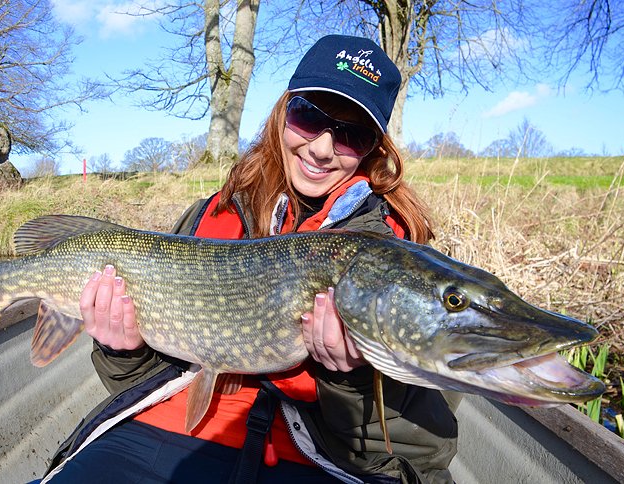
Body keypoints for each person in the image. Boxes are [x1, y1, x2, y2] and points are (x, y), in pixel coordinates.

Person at [41, 35, 457, 483]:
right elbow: (137, 381)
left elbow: (423, 453)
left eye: (351, 133)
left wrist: (349, 383)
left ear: (374, 147)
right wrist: (120, 350)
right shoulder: (209, 216)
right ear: (282, 111)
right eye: (308, 116)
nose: (320, 149)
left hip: (313, 457)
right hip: (165, 429)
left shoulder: (399, 262)